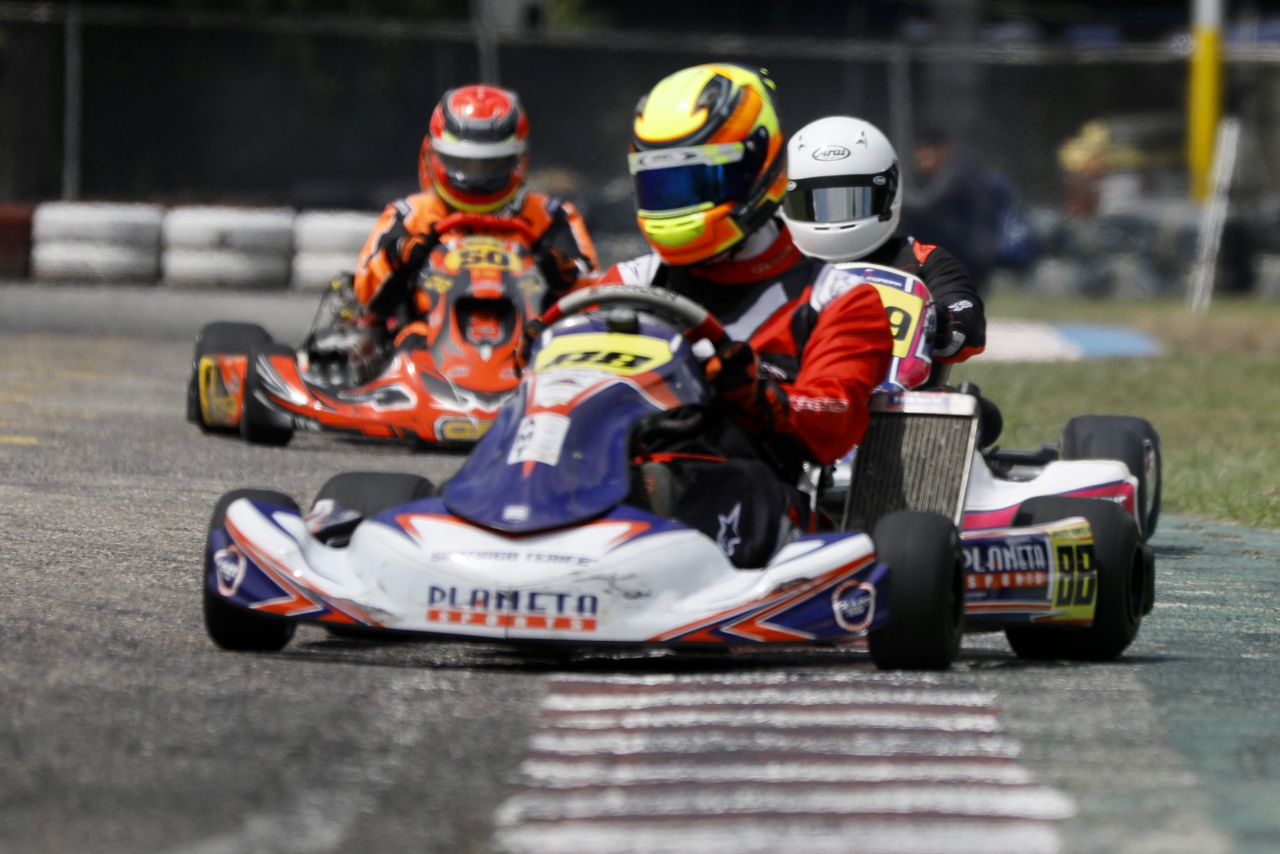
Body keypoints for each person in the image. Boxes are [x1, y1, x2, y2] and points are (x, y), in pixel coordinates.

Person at [593, 63, 896, 567]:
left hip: (758, 507)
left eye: (697, 182)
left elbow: (835, 422)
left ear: (759, 169)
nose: (678, 204)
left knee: (720, 483)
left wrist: (758, 396)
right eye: (664, 186)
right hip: (613, 481)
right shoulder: (629, 283)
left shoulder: (835, 298)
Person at [315, 84, 598, 378]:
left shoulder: (550, 216)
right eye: (464, 163)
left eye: (490, 166)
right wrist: (399, 255)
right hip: (424, 341)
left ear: (518, 160)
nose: (476, 178)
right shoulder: (412, 215)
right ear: (435, 155)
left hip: (534, 345)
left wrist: (558, 269)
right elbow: (365, 292)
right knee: (394, 339)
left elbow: (590, 294)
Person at [780, 115, 987, 365]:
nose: (835, 219)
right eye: (818, 205)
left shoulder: (922, 260)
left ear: (888, 194)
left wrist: (941, 321)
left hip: (901, 388)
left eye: (852, 202)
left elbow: (968, 320)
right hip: (799, 386)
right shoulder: (780, 265)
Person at [903, 126, 1037, 294]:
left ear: (944, 149)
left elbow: (925, 205)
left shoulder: (956, 173)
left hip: (973, 258)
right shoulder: (944, 174)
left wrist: (892, 198)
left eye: (928, 148)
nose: (922, 155)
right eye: (919, 149)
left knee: (909, 219)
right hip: (966, 255)